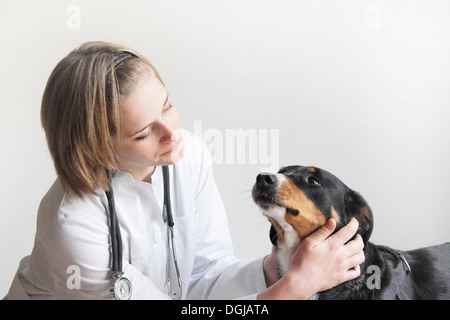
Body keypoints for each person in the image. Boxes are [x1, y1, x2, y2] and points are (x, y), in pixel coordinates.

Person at [4, 41, 364, 300]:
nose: (172, 133)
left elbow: (202, 278)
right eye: (144, 133)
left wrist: (275, 269)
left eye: (168, 105)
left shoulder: (187, 155)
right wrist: (292, 289)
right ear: (97, 146)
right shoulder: (73, 224)